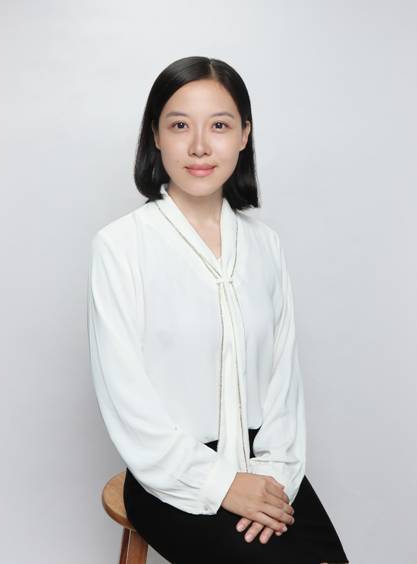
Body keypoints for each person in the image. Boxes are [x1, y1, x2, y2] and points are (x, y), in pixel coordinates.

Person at [87, 56, 349, 563]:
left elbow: (283, 383)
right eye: (179, 125)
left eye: (220, 126)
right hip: (171, 474)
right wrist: (223, 484)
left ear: (245, 135)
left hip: (266, 466)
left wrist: (273, 475)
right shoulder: (120, 247)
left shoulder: (265, 245)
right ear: (155, 136)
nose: (200, 146)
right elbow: (128, 400)